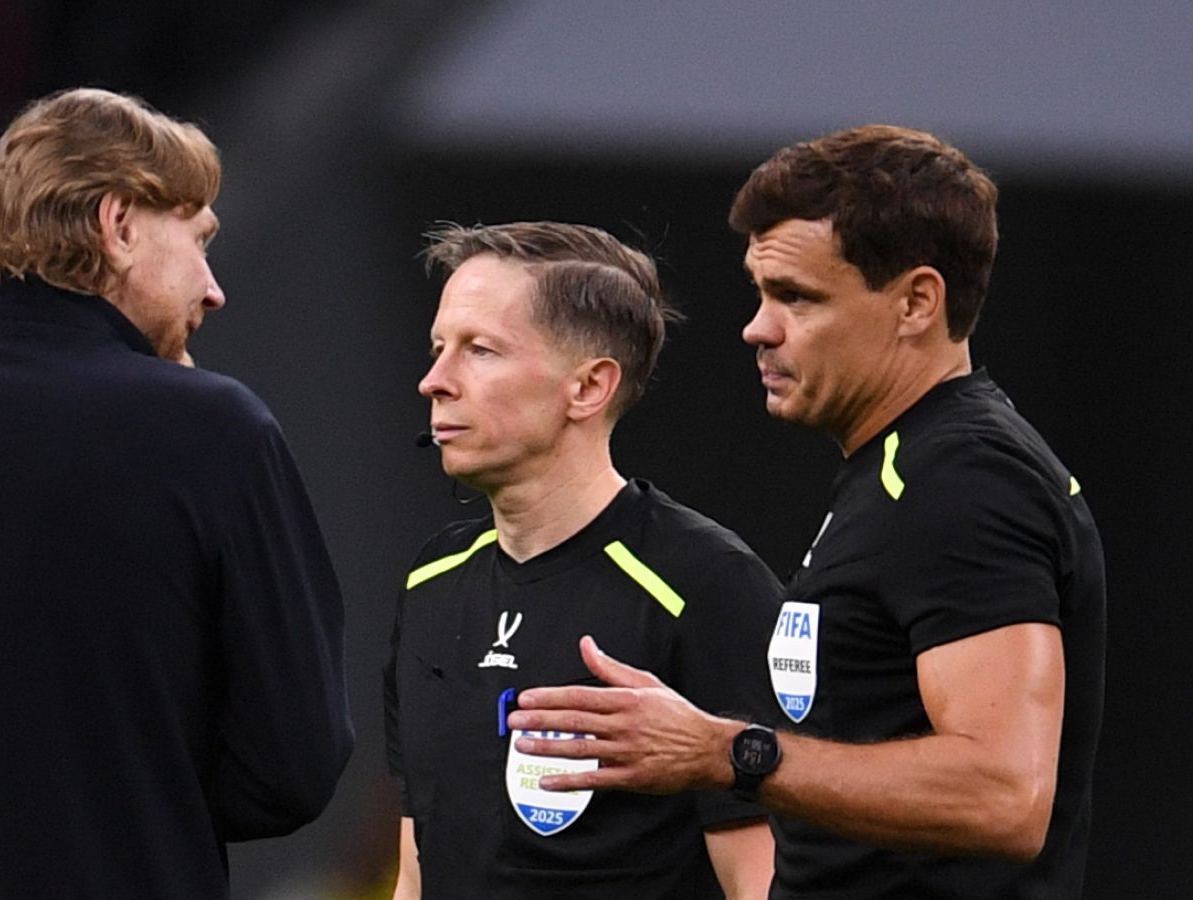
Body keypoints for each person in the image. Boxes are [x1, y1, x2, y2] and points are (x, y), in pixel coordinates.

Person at [507, 126, 1106, 898]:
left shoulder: (965, 479)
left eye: (796, 296)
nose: (758, 327)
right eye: (762, 293)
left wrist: (728, 752)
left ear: (917, 302)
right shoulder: (902, 469)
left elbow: (1005, 794)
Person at [0, 87, 353, 897]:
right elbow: (294, 765)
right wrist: (127, 789)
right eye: (199, 239)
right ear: (118, 225)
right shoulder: (213, 433)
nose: (213, 289)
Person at [383, 221, 783, 899]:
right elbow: (417, 872)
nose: (434, 382)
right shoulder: (432, 581)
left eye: (480, 350)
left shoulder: (706, 585)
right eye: (438, 348)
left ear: (589, 387)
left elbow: (763, 880)